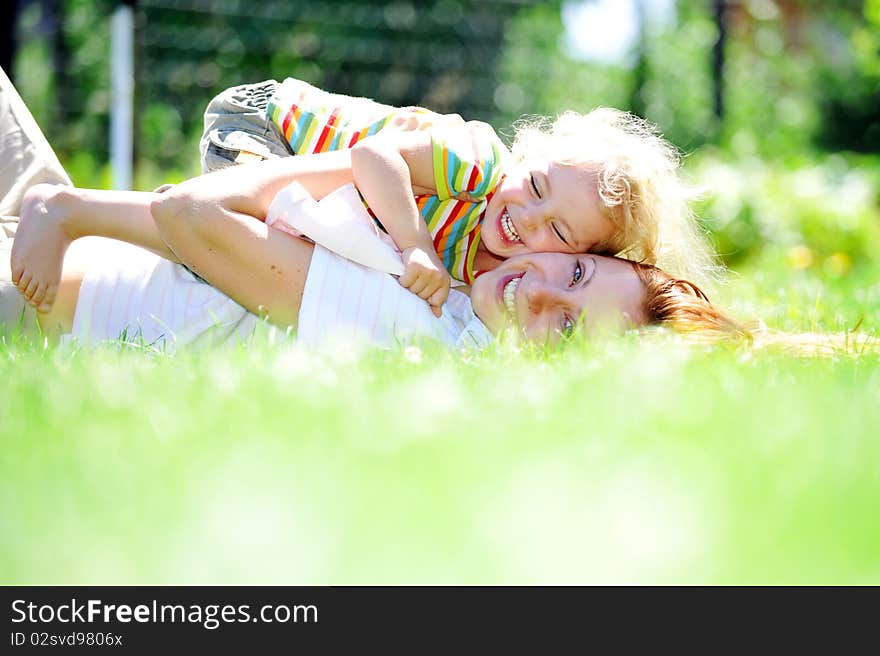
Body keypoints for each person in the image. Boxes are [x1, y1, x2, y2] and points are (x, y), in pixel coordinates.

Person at [11, 77, 716, 317]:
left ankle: (76, 223)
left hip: (311, 176)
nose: (524, 217)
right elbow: (371, 157)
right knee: (217, 244)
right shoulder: (476, 163)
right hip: (270, 124)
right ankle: (63, 211)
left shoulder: (491, 268)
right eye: (535, 188)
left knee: (240, 249)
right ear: (526, 157)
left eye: (557, 233)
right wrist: (412, 243)